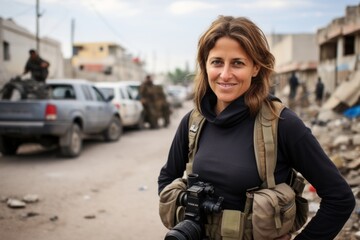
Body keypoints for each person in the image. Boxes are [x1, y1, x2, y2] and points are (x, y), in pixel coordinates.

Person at [158, 16, 355, 240]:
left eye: (238, 63)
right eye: (217, 62)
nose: (225, 74)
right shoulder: (193, 121)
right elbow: (167, 180)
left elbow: (340, 199)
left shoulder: (282, 124)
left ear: (255, 68)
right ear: (205, 65)